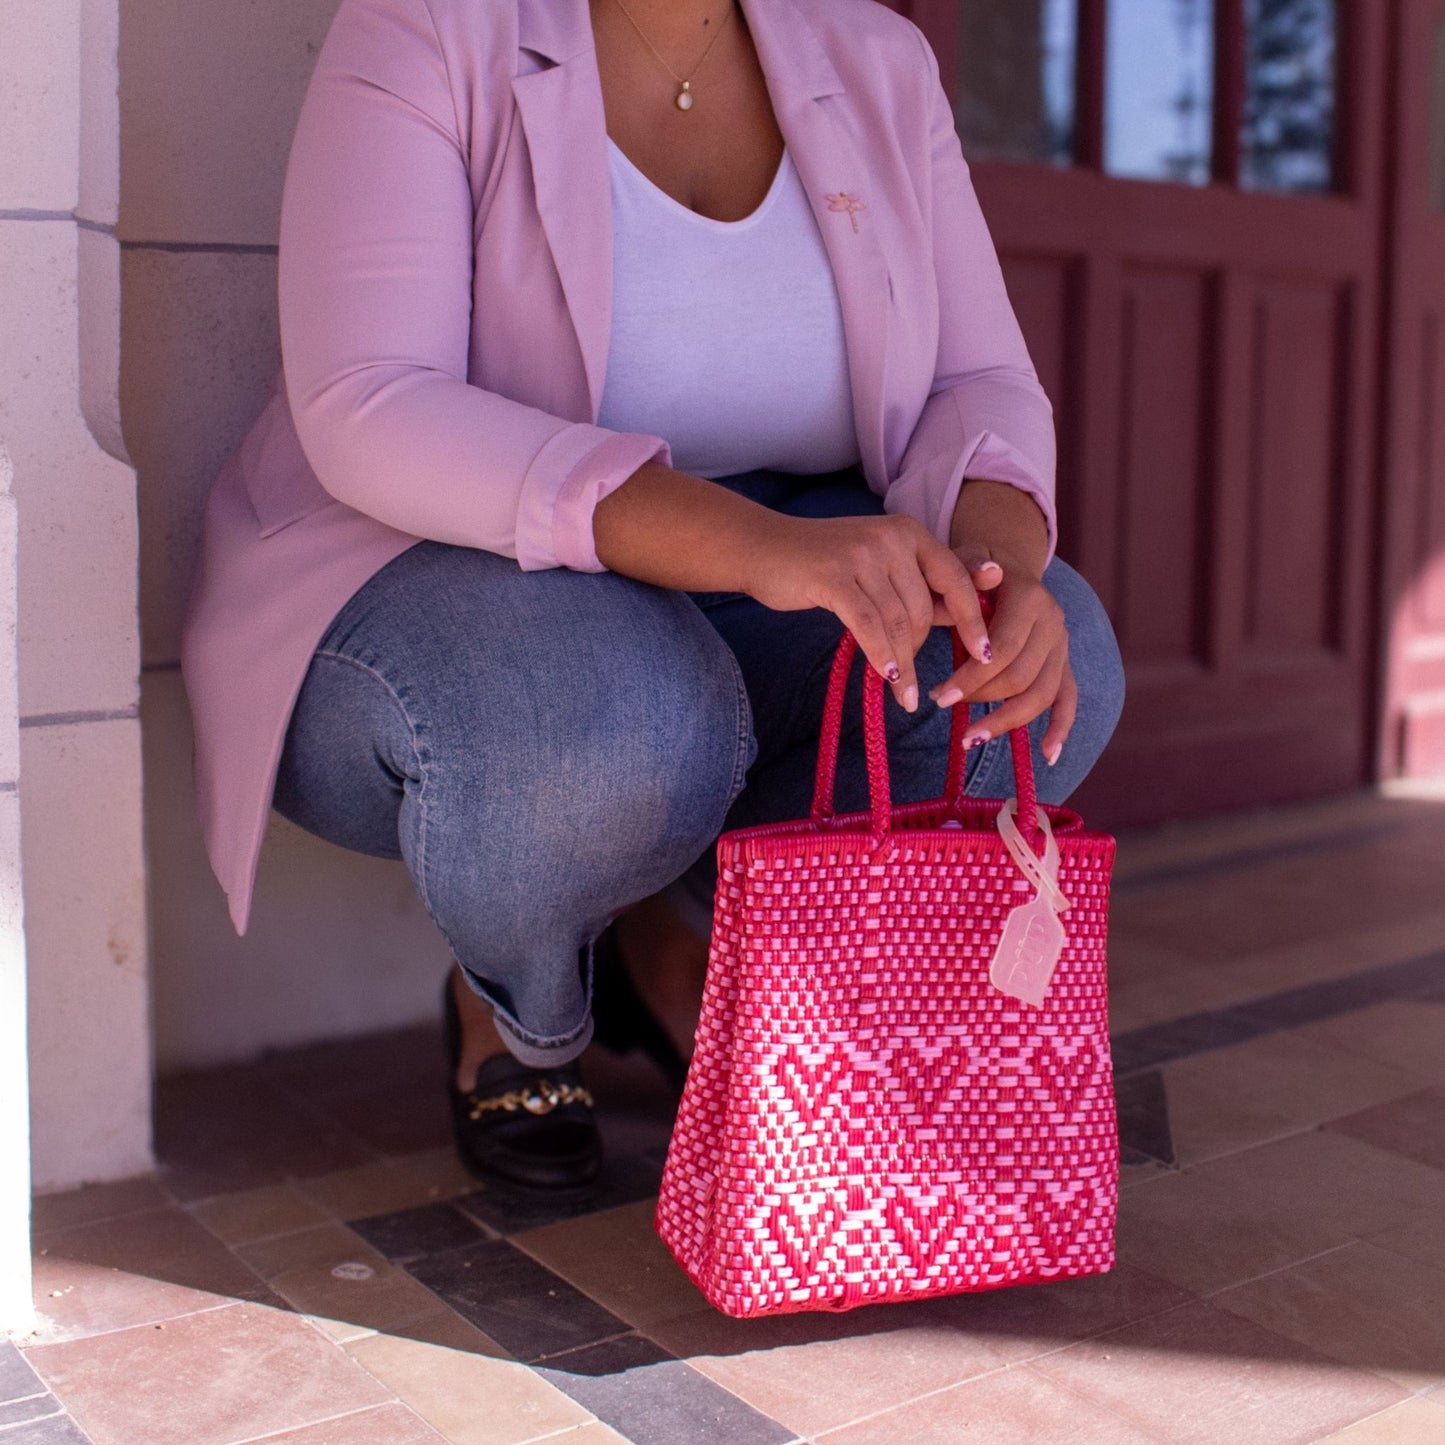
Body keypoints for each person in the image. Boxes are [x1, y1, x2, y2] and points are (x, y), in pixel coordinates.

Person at [182, 0, 1125, 1192]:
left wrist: (1000, 569)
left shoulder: (876, 60)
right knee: (620, 717)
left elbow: (976, 378)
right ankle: (517, 1006)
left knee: (1038, 653)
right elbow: (372, 403)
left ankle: (681, 940)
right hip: (436, 579)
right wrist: (751, 544)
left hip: (778, 569)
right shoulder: (428, 27)